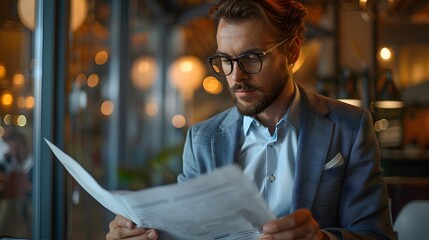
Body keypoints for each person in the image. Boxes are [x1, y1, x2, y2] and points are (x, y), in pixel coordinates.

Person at [107, 0, 395, 239]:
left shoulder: (350, 126)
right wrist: (141, 234)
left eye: (252, 58)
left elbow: (377, 234)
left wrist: (322, 239)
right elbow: (188, 231)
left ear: (292, 51)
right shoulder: (202, 139)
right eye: (225, 61)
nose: (236, 76)